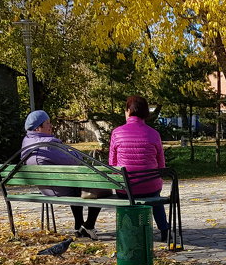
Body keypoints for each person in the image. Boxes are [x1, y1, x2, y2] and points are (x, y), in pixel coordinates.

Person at [21, 109, 102, 239]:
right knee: (98, 186)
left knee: (76, 185)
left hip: (46, 188)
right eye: (47, 123)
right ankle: (89, 224)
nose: (51, 126)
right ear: (37, 128)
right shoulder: (47, 145)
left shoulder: (27, 142)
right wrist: (72, 152)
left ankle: (79, 225)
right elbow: (74, 159)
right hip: (58, 189)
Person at [109, 96, 168, 242]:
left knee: (127, 191)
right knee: (155, 195)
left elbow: (112, 164)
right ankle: (164, 228)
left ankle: (128, 229)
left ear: (128, 111)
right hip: (150, 187)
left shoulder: (117, 133)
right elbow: (161, 166)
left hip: (126, 188)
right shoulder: (154, 134)